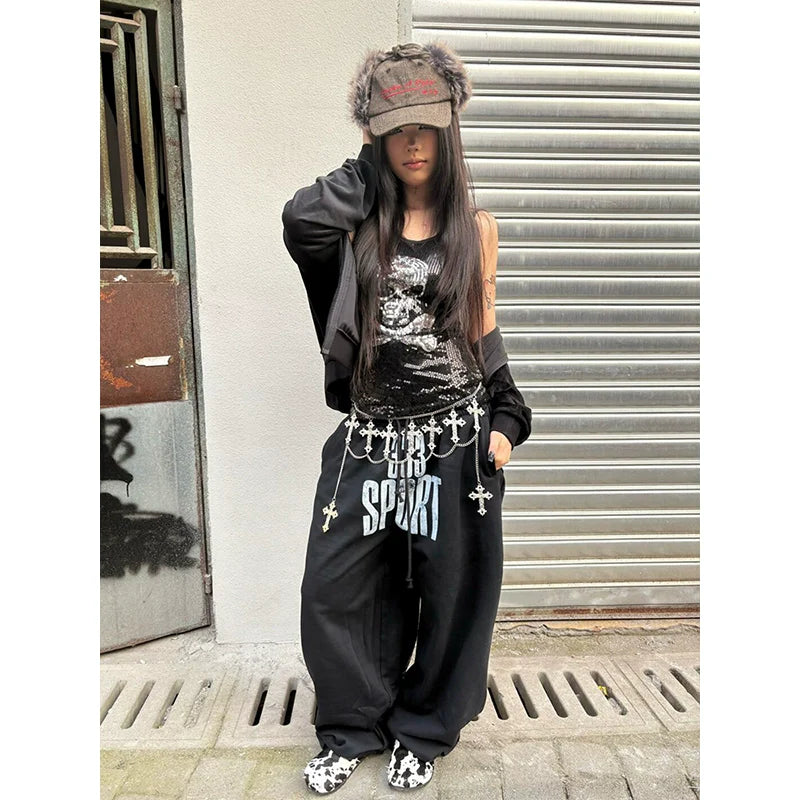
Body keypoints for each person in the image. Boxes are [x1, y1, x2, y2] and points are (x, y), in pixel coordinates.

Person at [282, 41, 532, 795]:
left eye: (427, 126)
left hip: (455, 441)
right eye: (397, 128)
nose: (414, 143)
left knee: (453, 595)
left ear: (450, 130)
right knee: (336, 591)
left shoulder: (475, 228)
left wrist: (507, 412)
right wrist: (366, 163)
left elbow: (483, 326)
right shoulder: (353, 227)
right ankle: (351, 727)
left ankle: (422, 730)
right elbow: (300, 219)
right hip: (369, 440)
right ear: (376, 136)